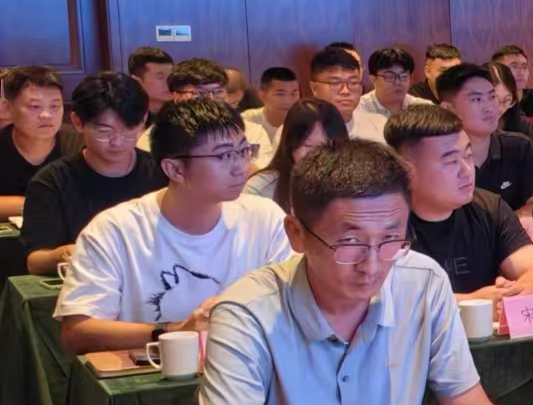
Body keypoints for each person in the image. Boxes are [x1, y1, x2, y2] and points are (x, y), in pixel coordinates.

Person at [194, 141, 533, 405]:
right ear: (296, 234)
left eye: (391, 239)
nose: (373, 264)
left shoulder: (422, 283)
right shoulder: (248, 312)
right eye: (350, 242)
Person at [56, 96, 290, 354]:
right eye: (223, 155)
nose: (241, 167)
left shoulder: (264, 217)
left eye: (244, 151)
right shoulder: (114, 229)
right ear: (175, 169)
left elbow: (296, 303)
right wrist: (175, 331)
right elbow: (77, 332)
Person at [385, 105, 533, 300]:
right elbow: (388, 298)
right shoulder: (381, 221)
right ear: (406, 171)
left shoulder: (488, 207)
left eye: (468, 155)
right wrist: (473, 303)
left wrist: (507, 295)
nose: (467, 170)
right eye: (450, 162)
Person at [23, 72, 164, 277]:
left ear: (144, 121)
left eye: (130, 129)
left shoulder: (164, 172)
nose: (117, 141)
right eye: (105, 131)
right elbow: (35, 262)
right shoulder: (52, 181)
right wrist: (62, 254)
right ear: (78, 122)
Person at [440, 62, 533, 212]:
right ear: (448, 109)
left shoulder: (519, 147)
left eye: (492, 97)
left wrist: (507, 224)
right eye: (477, 99)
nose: (490, 107)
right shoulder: (436, 158)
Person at [0, 65, 73, 220]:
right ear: (8, 108)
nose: (46, 115)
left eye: (55, 106)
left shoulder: (80, 143)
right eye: (35, 106)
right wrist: (38, 204)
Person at [247, 99, 348, 207]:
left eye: (326, 146)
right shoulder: (261, 189)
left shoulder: (350, 185)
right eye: (308, 145)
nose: (316, 154)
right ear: (290, 144)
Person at [350, 48, 432, 142]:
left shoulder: (425, 109)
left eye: (403, 76)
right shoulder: (356, 110)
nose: (398, 82)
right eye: (390, 77)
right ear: (373, 79)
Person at [491, 44, 533, 138]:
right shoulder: (489, 102)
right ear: (497, 71)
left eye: (524, 67)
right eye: (514, 66)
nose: (521, 72)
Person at [244, 66, 300, 166]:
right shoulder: (246, 121)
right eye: (280, 94)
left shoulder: (305, 121)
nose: (288, 101)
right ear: (262, 95)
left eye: (294, 93)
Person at [307, 45, 363, 120]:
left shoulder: (377, 124)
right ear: (314, 88)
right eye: (335, 83)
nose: (345, 91)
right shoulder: (299, 126)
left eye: (353, 82)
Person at [129, 46, 175, 117]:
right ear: (136, 81)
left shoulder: (183, 115)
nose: (169, 81)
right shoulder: (124, 118)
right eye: (160, 77)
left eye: (170, 75)